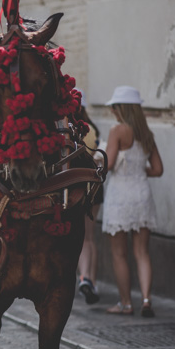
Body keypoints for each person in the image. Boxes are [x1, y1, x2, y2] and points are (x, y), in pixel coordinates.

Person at [101, 86, 164, 317]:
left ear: (121, 108)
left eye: (113, 107)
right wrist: (137, 169)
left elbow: (108, 164)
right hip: (142, 193)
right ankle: (146, 300)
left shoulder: (117, 130)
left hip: (120, 195)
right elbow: (158, 169)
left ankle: (126, 303)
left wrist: (95, 161)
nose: (112, 111)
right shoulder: (147, 134)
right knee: (142, 252)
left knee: (119, 254)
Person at [74, 90, 102, 304]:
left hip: (75, 185)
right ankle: (90, 279)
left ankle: (83, 277)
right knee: (90, 237)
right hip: (94, 184)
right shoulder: (92, 129)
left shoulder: (70, 129)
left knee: (78, 236)